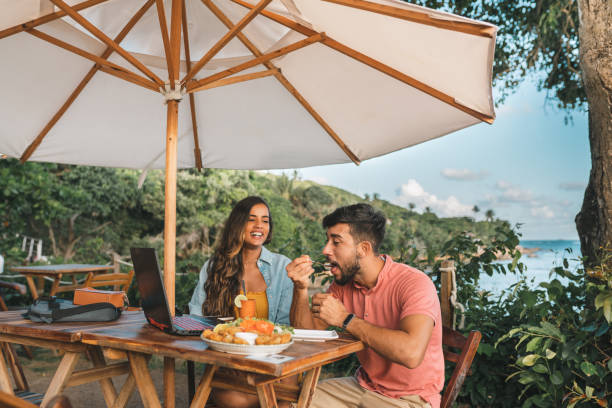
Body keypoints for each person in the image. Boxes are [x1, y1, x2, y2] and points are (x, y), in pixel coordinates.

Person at [287, 203, 444, 408]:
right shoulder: (343, 285)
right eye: (327, 241)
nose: (326, 250)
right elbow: (306, 334)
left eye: (336, 242)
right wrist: (300, 289)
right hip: (362, 387)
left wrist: (346, 319)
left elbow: (411, 354)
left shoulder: (414, 283)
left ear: (363, 249)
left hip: (411, 398)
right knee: (292, 403)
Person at [188, 196, 294, 408]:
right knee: (236, 400)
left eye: (265, 220)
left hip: (272, 360)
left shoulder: (282, 267)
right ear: (238, 224)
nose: (259, 226)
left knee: (283, 399)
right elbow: (197, 318)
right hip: (227, 360)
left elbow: (287, 328)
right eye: (251, 219)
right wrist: (227, 353)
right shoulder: (214, 267)